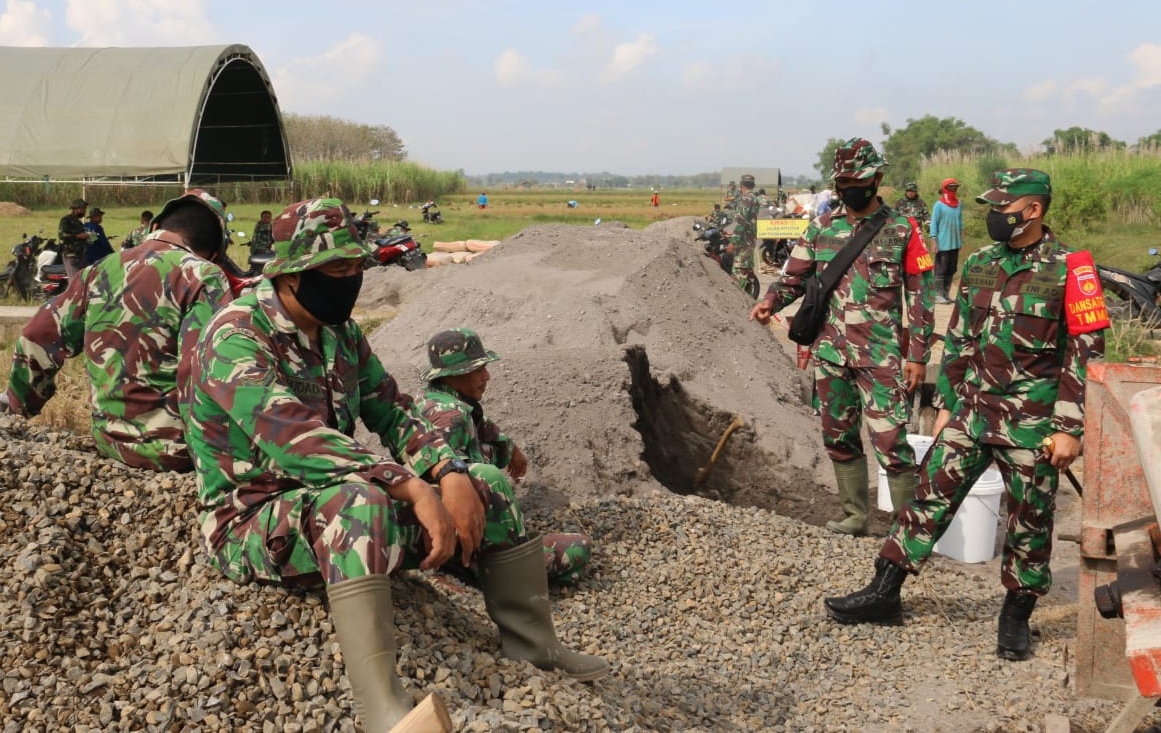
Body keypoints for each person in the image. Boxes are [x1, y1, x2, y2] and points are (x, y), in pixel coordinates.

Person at [184, 197, 608, 731]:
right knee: (359, 502)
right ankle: (382, 706)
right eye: (336, 269)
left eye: (355, 266)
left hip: (332, 505)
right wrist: (408, 486)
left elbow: (393, 410)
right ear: (291, 274)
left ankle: (535, 648)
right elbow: (293, 437)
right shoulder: (236, 335)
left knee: (488, 482)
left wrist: (448, 471)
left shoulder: (341, 334)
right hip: (256, 520)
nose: (350, 278)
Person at [823, 169, 1109, 662]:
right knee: (928, 497)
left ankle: (1016, 615)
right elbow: (956, 340)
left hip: (1033, 423)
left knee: (1030, 521)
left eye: (1003, 208)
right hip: (972, 413)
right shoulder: (979, 262)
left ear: (1033, 210)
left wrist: (1069, 427)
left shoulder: (1073, 268)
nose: (994, 216)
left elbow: (1086, 355)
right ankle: (884, 590)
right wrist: (945, 404)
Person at [749, 138, 936, 536]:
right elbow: (792, 278)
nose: (850, 186)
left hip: (881, 357)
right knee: (838, 436)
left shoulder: (903, 229)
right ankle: (855, 516)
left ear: (877, 179)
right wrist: (769, 300)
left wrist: (917, 354)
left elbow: (921, 298)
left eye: (858, 179)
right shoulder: (821, 227)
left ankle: (906, 533)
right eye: (844, 180)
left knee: (892, 443)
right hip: (831, 354)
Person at [0, 190, 232, 472]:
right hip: (177, 452)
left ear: (154, 227)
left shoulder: (97, 271)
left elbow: (36, 337)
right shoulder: (204, 276)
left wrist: (17, 407)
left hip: (109, 442)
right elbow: (203, 369)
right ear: (215, 252)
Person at [415, 328, 594, 584]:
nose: (486, 376)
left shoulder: (434, 399)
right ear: (454, 374)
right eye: (478, 370)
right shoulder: (451, 417)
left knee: (484, 453)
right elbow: (450, 485)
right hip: (467, 548)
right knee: (579, 547)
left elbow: (482, 425)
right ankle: (501, 567)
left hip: (438, 532)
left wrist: (510, 449)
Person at [929, 178, 965, 303]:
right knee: (941, 269)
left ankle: (946, 294)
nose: (953, 189)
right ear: (945, 189)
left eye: (955, 187)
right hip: (943, 243)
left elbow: (960, 222)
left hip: (954, 242)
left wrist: (960, 240)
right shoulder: (938, 205)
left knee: (951, 268)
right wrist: (934, 242)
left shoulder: (959, 204)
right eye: (951, 187)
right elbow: (934, 224)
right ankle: (938, 295)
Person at [729, 173, 761, 299]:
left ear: (741, 185)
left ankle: (738, 299)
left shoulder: (746, 199)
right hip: (750, 238)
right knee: (747, 268)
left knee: (739, 269)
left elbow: (741, 221)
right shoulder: (754, 198)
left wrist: (733, 241)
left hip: (744, 240)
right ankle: (747, 297)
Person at [58, 198, 90, 280]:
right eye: (83, 209)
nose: (84, 211)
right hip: (71, 256)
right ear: (76, 209)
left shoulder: (78, 222)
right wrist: (78, 236)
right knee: (75, 282)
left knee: (84, 280)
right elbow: (62, 235)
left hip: (81, 256)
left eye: (85, 209)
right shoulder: (66, 220)